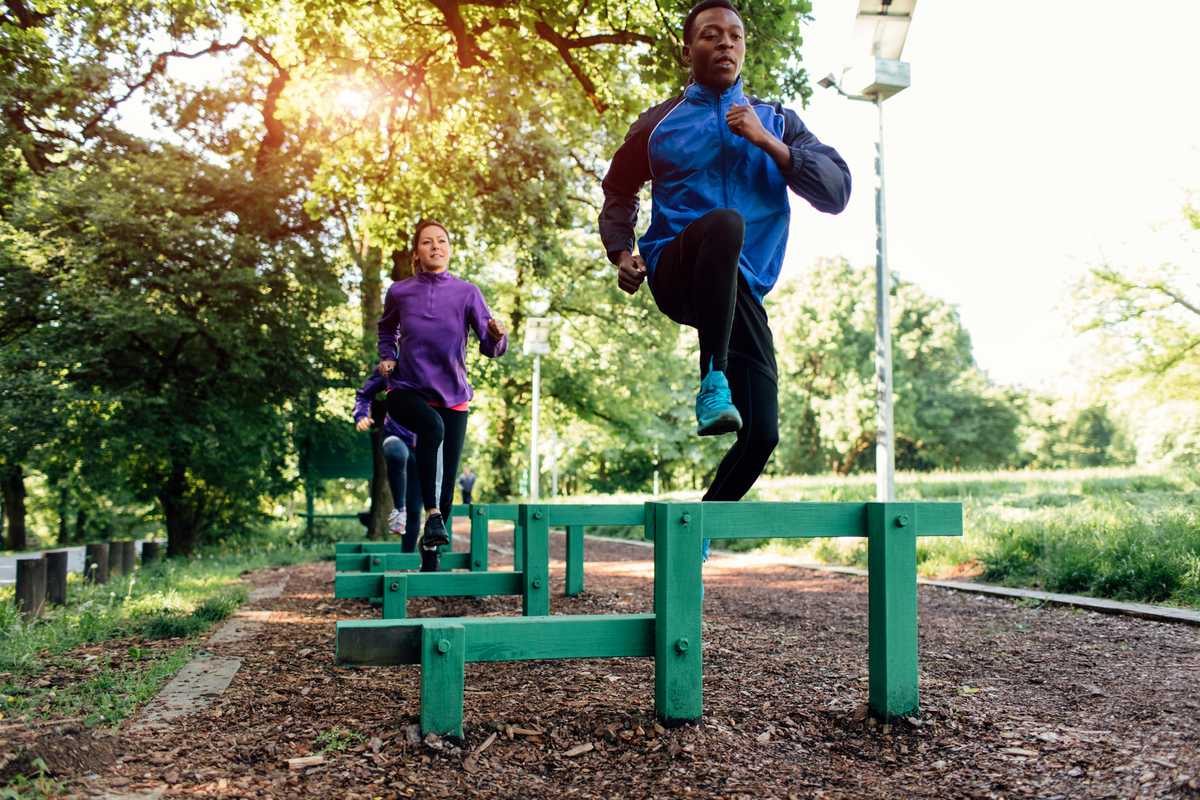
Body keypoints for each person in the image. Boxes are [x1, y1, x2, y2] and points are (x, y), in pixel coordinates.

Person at [598, 0, 850, 532]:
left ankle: (698, 534)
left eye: (735, 36)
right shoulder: (658, 123)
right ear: (688, 50)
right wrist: (622, 252)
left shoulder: (777, 120)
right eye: (711, 36)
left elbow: (835, 192)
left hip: (740, 292)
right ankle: (711, 379)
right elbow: (619, 189)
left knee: (761, 436)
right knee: (725, 224)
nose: (726, 44)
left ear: (744, 48)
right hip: (677, 269)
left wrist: (768, 142)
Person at [378, 219, 507, 554]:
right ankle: (431, 512)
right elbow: (386, 328)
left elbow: (490, 346)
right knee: (431, 428)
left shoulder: (467, 293)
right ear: (417, 253)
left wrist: (497, 336)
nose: (436, 246)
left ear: (449, 249)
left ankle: (430, 553)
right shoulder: (400, 292)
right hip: (406, 390)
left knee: (448, 484)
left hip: (452, 395)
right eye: (427, 242)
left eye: (442, 241)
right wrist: (387, 355)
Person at [353, 367, 424, 552]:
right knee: (396, 451)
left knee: (415, 508)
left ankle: (407, 559)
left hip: (424, 445)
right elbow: (364, 394)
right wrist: (361, 415)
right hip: (397, 436)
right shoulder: (392, 365)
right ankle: (399, 509)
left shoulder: (438, 365)